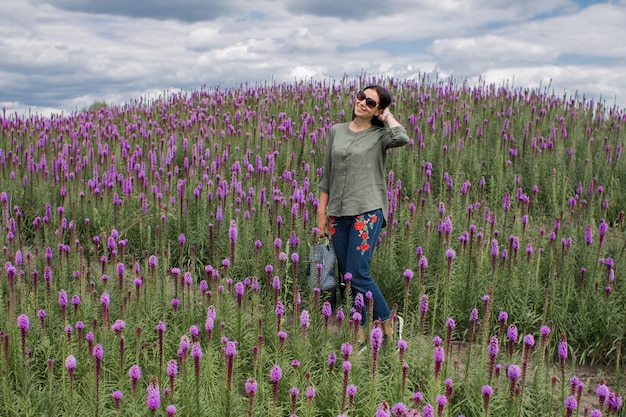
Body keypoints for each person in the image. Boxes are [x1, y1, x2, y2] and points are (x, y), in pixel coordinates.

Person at [317, 85, 410, 341]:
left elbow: (402, 137)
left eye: (371, 103)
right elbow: (327, 174)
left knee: (358, 272)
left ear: (378, 110)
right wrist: (322, 214)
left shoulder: (381, 135)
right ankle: (363, 332)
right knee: (347, 276)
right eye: (361, 97)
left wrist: (387, 116)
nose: (362, 103)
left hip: (367, 211)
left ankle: (390, 320)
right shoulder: (336, 131)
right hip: (337, 212)